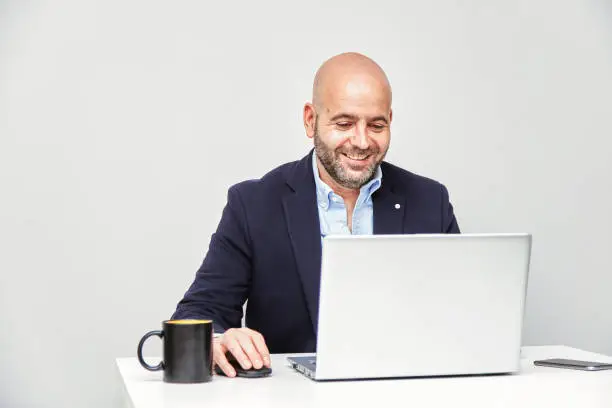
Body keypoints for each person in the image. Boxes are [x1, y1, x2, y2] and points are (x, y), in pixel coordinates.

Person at [171, 52, 460, 377]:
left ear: (390, 120)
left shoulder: (430, 202)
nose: (362, 141)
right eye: (345, 123)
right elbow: (196, 314)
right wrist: (220, 339)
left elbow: (464, 315)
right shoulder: (253, 205)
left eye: (376, 125)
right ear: (311, 120)